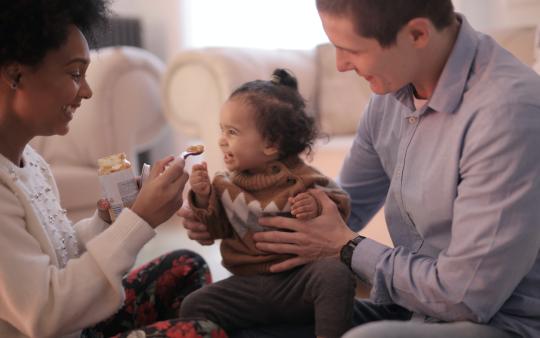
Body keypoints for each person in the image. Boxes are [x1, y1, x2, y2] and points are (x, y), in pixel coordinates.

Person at [184, 1, 540, 338]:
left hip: (496, 320)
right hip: (410, 306)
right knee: (233, 325)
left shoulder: (507, 114)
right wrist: (229, 217)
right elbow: (338, 208)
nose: (339, 65)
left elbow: (465, 298)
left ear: (417, 34)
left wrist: (348, 247)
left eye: (351, 49)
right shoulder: (391, 94)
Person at [0, 1, 227, 337]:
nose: (87, 92)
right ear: (17, 75)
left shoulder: (30, 161)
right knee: (203, 332)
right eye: (75, 74)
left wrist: (117, 216)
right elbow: (43, 313)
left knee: (184, 266)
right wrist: (141, 221)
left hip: (72, 325)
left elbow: (59, 257)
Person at [178, 69, 355, 338]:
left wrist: (315, 206)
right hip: (246, 287)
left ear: (271, 144)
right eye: (222, 130)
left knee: (335, 275)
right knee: (194, 305)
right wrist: (202, 197)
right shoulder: (224, 185)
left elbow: (339, 205)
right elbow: (215, 229)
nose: (221, 140)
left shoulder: (304, 180)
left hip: (299, 283)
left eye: (232, 132)